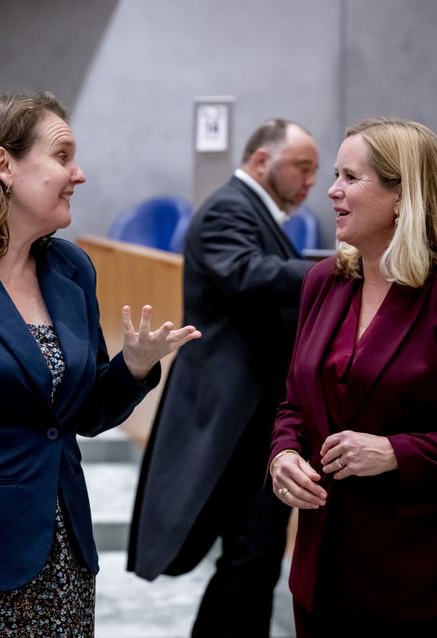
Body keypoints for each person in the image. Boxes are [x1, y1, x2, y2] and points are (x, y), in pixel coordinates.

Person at [0, 92, 199, 638]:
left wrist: (133, 367)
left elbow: (82, 414)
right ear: (4, 165)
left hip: (61, 560)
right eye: (63, 155)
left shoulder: (71, 269)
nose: (79, 173)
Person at [269, 117, 437, 636]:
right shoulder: (323, 281)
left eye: (350, 177)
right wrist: (282, 454)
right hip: (321, 572)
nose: (332, 190)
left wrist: (396, 452)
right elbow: (295, 403)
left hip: (423, 581)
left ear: (401, 196)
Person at [129, 118, 319, 636]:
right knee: (249, 553)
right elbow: (246, 273)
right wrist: (337, 269)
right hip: (231, 413)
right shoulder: (228, 208)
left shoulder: (251, 210)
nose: (311, 183)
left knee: (254, 555)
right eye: (303, 168)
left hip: (253, 414)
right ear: (263, 162)